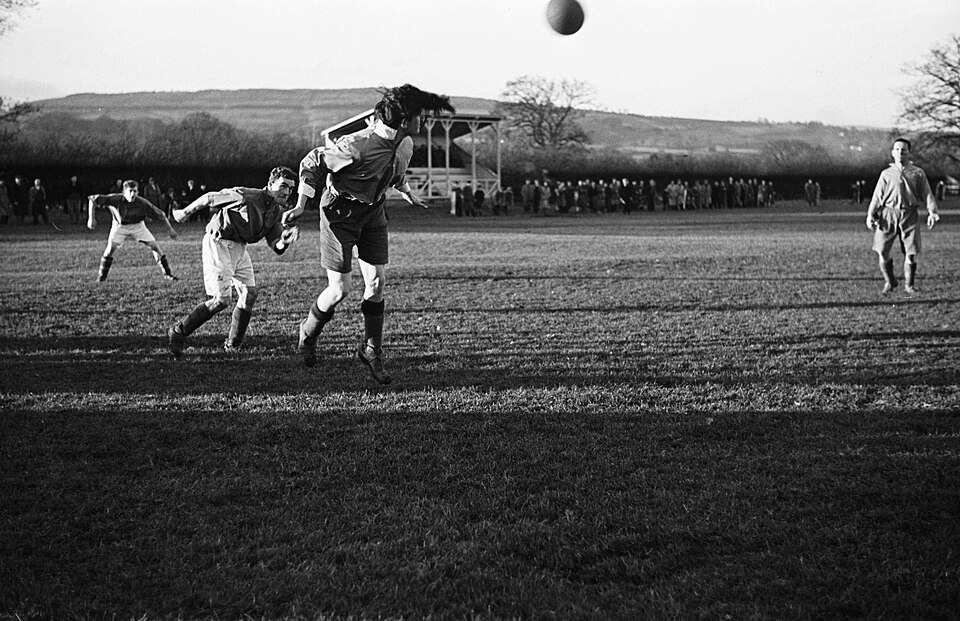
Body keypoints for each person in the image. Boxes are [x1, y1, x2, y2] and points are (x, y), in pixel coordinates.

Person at [283, 84, 455, 384]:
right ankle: (308, 333)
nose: (424, 122)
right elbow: (312, 162)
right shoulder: (357, 146)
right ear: (403, 121)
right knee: (340, 290)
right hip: (339, 215)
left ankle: (371, 349)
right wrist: (300, 205)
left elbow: (395, 172)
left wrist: (408, 193)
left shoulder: (406, 145)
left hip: (373, 213)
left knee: (377, 282)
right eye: (420, 116)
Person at [166, 166, 299, 357]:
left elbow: (276, 246)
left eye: (291, 189)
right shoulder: (246, 196)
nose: (287, 192)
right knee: (221, 300)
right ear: (270, 184)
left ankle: (233, 344)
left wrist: (284, 241)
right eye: (283, 186)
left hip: (239, 247)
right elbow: (210, 197)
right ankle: (178, 332)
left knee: (250, 293)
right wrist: (184, 213)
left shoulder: (276, 211)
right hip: (218, 242)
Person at [866, 137, 940, 294]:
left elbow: (927, 194)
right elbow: (877, 197)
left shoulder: (918, 173)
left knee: (910, 253)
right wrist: (870, 214)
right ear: (893, 153)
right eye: (897, 149)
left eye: (904, 150)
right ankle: (889, 282)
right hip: (887, 215)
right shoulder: (886, 174)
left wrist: (932, 212)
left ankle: (909, 286)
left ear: (909, 153)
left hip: (909, 215)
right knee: (882, 250)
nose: (900, 152)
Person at [87, 180, 178, 282]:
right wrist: (91, 218)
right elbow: (92, 199)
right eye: (130, 191)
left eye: (135, 191)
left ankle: (167, 274)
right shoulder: (114, 199)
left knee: (154, 246)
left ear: (138, 192)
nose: (132, 194)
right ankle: (101, 277)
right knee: (110, 249)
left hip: (138, 226)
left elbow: (161, 214)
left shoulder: (142, 203)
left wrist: (170, 229)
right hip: (119, 226)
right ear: (124, 192)